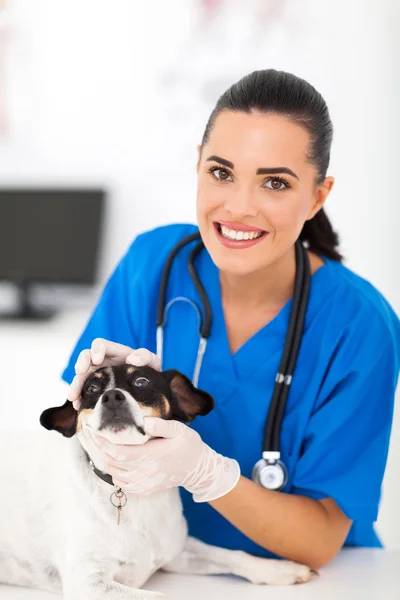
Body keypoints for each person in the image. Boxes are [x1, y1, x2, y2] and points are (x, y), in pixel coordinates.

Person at [61, 69, 400, 572]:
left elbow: (320, 541)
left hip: (305, 582)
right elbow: (76, 445)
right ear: (198, 164)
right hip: (152, 564)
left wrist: (205, 473)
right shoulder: (151, 265)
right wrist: (89, 408)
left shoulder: (359, 327)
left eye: (275, 182)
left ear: (317, 196)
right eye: (221, 172)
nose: (238, 207)